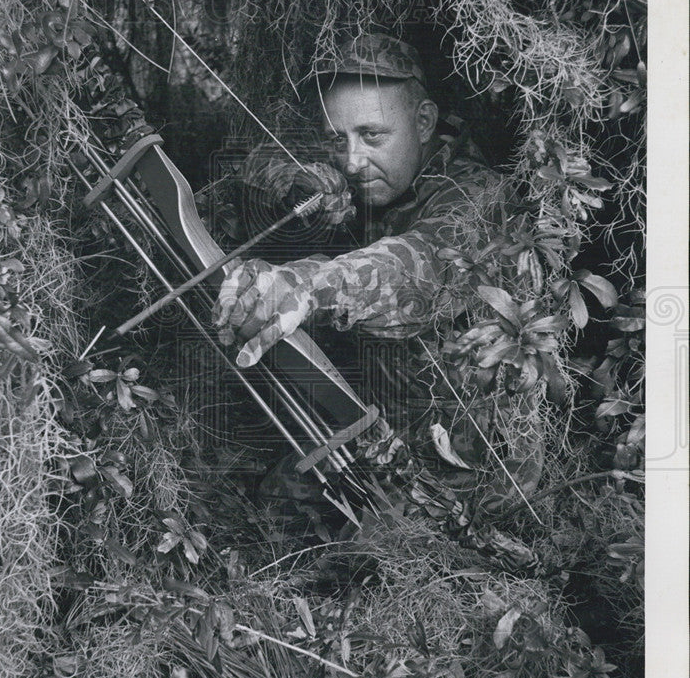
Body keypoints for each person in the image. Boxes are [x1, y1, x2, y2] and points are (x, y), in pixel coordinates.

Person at [212, 34, 541, 510]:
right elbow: (257, 163)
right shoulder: (363, 166)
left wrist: (305, 287)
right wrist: (297, 187)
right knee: (269, 504)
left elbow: (414, 266)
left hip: (469, 472)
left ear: (423, 122)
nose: (351, 160)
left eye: (373, 136)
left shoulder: (479, 198)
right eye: (337, 139)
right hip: (377, 431)